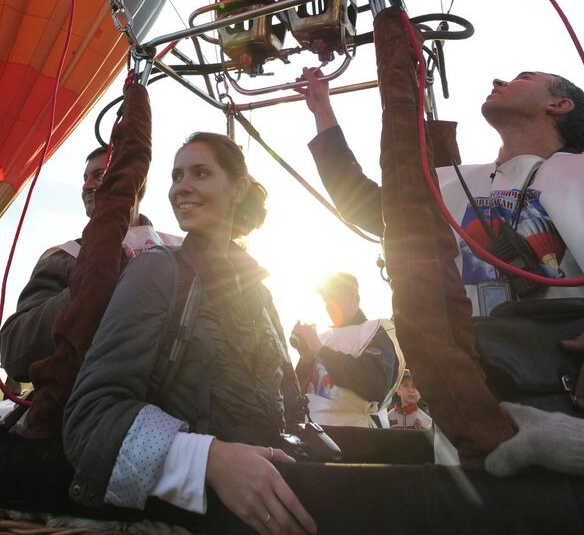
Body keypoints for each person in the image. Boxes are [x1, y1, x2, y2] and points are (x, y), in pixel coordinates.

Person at [64, 132, 317, 535]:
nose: (182, 187)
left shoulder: (261, 293)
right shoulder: (159, 271)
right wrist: (209, 461)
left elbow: (285, 405)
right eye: (177, 175)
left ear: (238, 189)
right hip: (192, 519)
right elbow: (91, 418)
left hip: (267, 507)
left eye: (200, 173)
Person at [298, 68, 584, 317]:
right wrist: (322, 108)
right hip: (465, 370)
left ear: (558, 104)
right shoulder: (451, 180)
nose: (498, 81)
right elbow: (363, 204)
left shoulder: (576, 172)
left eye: (524, 77)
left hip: (558, 370)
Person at [0, 146, 181, 383]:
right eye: (85, 178)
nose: (86, 186)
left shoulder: (180, 250)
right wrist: (88, 282)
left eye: (99, 175)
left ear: (136, 178)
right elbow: (15, 353)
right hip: (85, 404)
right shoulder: (64, 257)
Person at [291, 272, 401, 428]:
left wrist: (321, 351)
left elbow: (375, 384)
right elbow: (300, 392)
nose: (329, 305)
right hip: (316, 435)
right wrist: (306, 361)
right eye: (326, 299)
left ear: (353, 297)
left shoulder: (376, 330)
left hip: (358, 437)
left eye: (334, 297)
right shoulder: (323, 337)